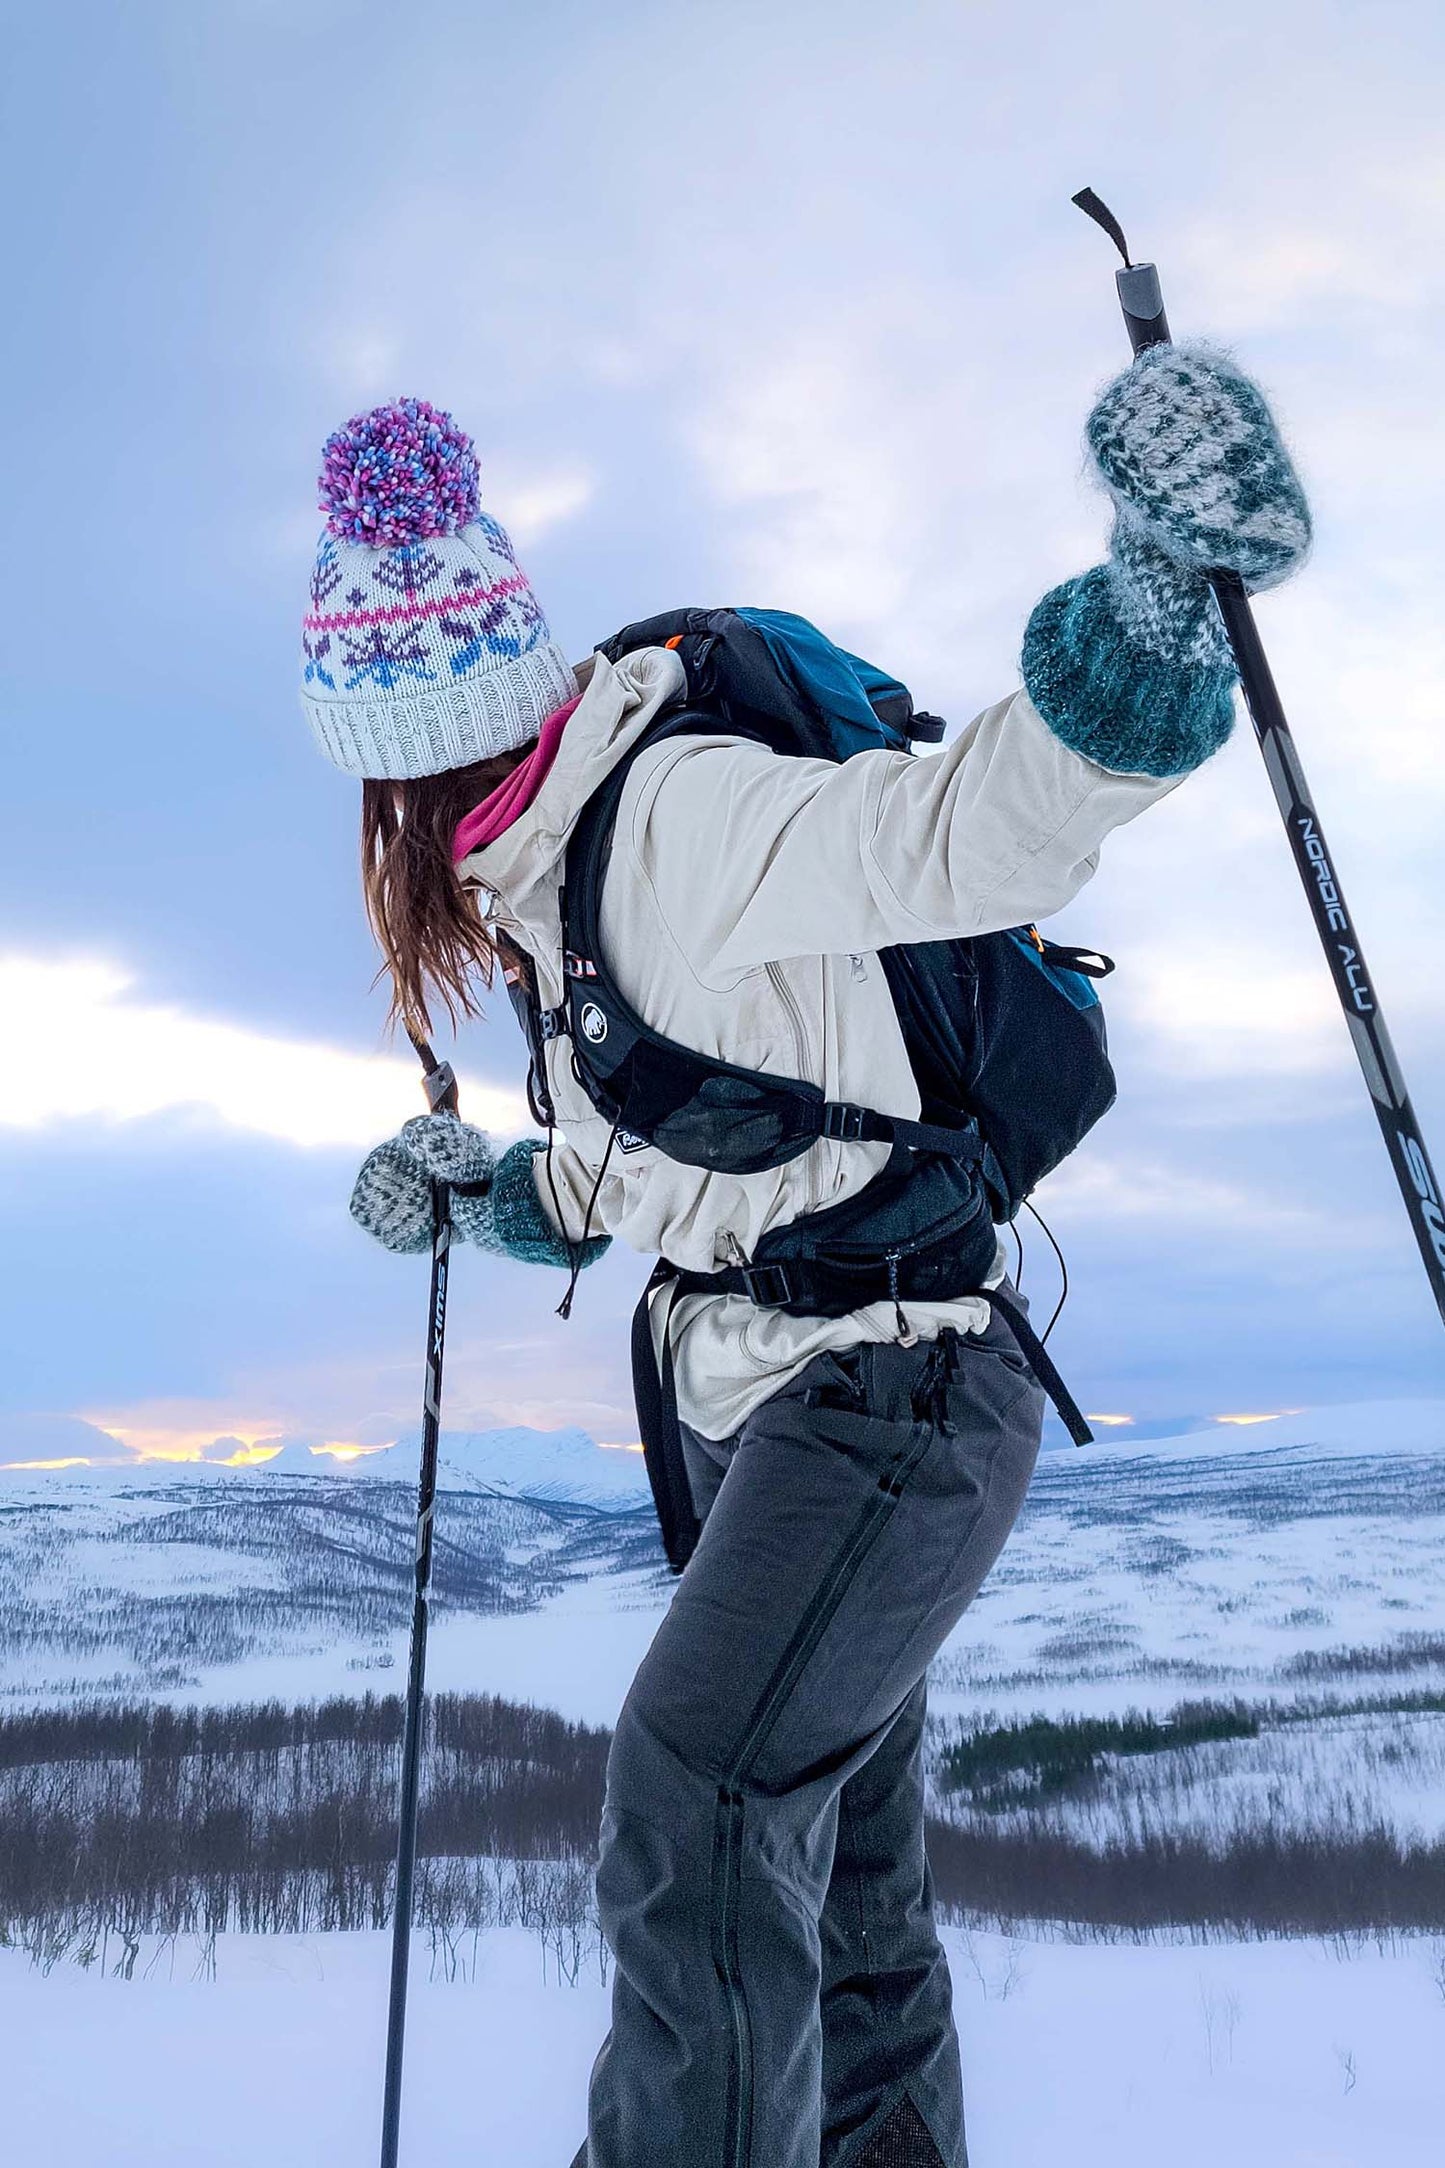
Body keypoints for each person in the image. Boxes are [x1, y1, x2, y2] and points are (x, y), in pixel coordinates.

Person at [307, 353, 1310, 2167]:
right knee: (838, 1884)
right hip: (772, 1412)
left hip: (888, 1397)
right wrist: (489, 1194)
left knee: (693, 1803)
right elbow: (662, 1172)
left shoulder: (667, 822)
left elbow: (956, 833)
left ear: (400, 772)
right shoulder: (551, 890)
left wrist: (1153, 606)